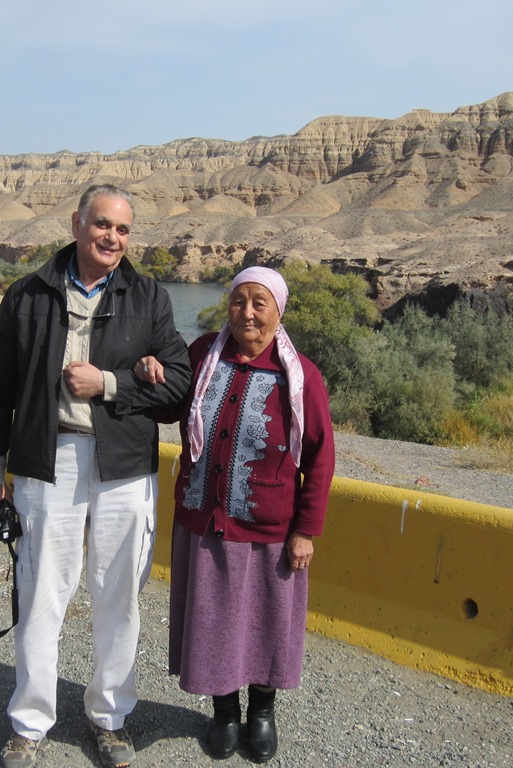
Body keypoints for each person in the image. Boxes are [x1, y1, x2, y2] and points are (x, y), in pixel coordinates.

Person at [0, 184, 191, 768]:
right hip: (50, 460)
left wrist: (112, 384)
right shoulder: (28, 296)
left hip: (124, 467)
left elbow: (180, 384)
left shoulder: (149, 298)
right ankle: (29, 722)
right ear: (76, 223)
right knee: (42, 590)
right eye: (102, 225)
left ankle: (110, 718)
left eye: (123, 230)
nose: (112, 238)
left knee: (119, 595)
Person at [138, 265, 334, 762]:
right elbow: (169, 409)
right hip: (205, 520)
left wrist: (306, 531)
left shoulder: (300, 376)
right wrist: (151, 373)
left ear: (278, 310)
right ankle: (224, 713)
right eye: (238, 300)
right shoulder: (203, 353)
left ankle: (262, 714)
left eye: (258, 302)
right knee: (213, 622)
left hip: (269, 529)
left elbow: (320, 459)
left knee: (267, 623)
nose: (246, 312)